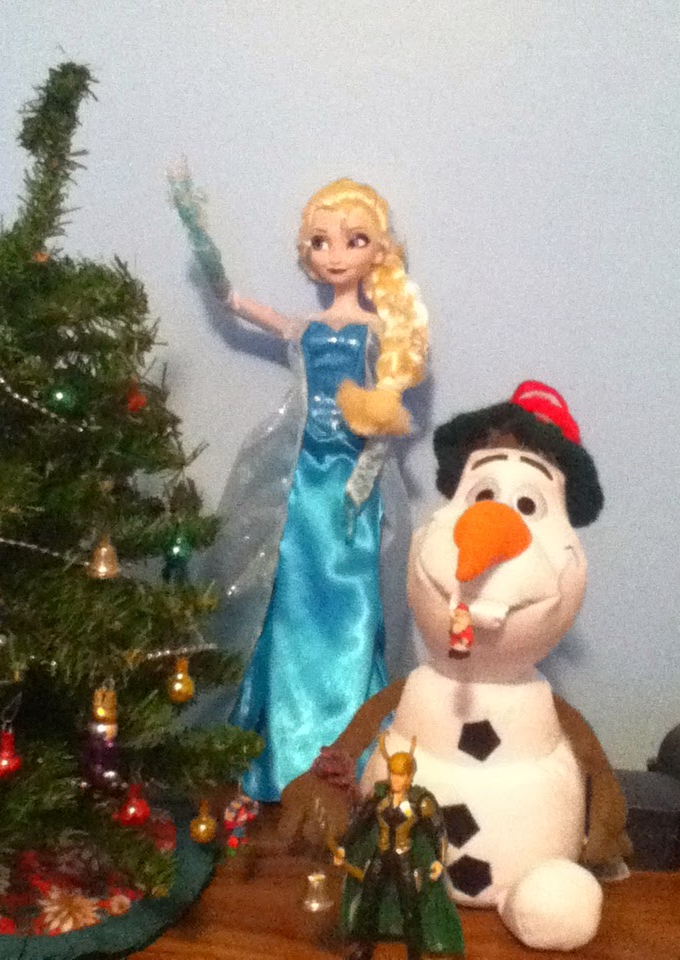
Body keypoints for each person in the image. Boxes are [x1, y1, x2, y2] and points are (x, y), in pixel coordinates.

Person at [169, 172, 428, 801]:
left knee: (357, 603)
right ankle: (278, 750)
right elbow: (234, 302)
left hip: (352, 488)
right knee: (284, 599)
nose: (335, 255)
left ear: (377, 251)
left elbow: (386, 406)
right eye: (321, 242)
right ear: (308, 252)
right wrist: (204, 246)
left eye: (353, 241)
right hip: (300, 479)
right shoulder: (304, 327)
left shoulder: (381, 333)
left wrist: (366, 467)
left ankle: (350, 744)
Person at [334, 734, 464, 960]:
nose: (396, 779)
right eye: (393, 773)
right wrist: (344, 847)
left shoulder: (420, 801)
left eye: (401, 775)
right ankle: (364, 948)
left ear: (410, 776)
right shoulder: (379, 797)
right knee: (368, 902)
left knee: (410, 907)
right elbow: (360, 823)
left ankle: (414, 953)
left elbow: (437, 831)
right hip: (380, 854)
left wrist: (438, 860)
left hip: (405, 857)